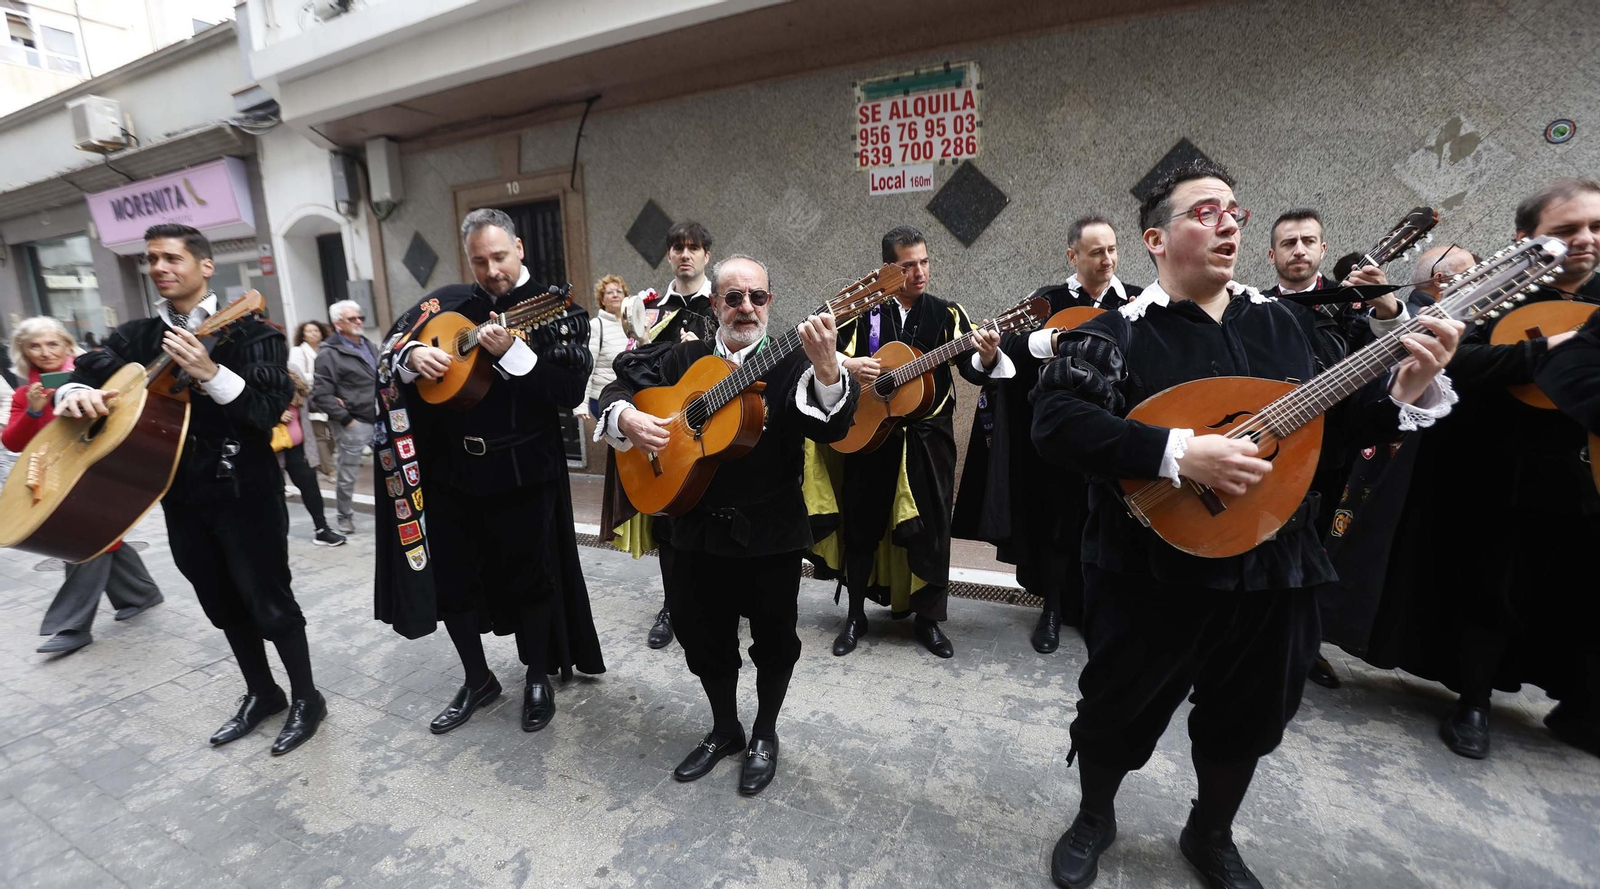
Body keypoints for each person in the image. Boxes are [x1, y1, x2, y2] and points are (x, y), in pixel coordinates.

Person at [1032, 160, 1459, 889]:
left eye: (1234, 211)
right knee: (1117, 704)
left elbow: (1329, 434)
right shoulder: (1117, 333)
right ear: (1156, 240)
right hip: (1149, 563)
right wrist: (1176, 451)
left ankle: (1211, 831)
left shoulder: (1287, 327)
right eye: (1205, 212)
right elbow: (1057, 422)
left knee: (1255, 709)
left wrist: (1405, 392)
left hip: (1276, 563)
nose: (1228, 222)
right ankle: (1096, 814)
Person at [1331, 178, 1600, 761]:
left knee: (1580, 594)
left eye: (1595, 229)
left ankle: (1580, 705)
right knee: (1494, 589)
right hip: (1498, 473)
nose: (1583, 240)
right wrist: (1547, 350)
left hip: (1584, 475)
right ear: (1526, 240)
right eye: (1565, 230)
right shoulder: (1498, 293)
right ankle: (1473, 699)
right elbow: (1455, 359)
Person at [56, 223, 324, 755]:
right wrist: (74, 392)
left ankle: (306, 698)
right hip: (180, 494)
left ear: (205, 266)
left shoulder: (254, 332)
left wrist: (210, 372)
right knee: (220, 600)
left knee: (269, 600)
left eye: (173, 258)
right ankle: (261, 692)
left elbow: (267, 412)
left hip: (246, 491)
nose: (160, 268)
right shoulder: (135, 335)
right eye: (152, 259)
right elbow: (81, 370)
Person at [598, 254, 858, 795]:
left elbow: (829, 426)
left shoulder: (793, 363)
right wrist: (624, 415)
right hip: (693, 530)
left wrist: (831, 371)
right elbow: (621, 383)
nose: (746, 308)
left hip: (770, 534)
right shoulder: (683, 356)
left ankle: (765, 732)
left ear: (770, 302)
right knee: (701, 638)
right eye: (733, 297)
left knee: (775, 641)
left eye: (757, 297)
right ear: (714, 303)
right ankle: (725, 728)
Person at [374, 208, 605, 735]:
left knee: (532, 579)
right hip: (452, 471)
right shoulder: (454, 303)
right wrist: (412, 359)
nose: (491, 270)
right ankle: (476, 678)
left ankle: (538, 677)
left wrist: (515, 356)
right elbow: (393, 344)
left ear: (520, 248)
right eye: (479, 261)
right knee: (454, 579)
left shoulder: (560, 309)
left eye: (499, 257)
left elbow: (568, 393)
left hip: (525, 469)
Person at [811, 225, 1008, 660]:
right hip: (870, 434)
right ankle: (855, 615)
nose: (919, 272)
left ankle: (929, 620)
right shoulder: (865, 313)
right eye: (907, 266)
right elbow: (826, 349)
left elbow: (972, 364)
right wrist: (849, 362)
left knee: (933, 531)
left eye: (924, 262)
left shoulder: (946, 313)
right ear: (888, 270)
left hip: (928, 439)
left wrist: (990, 353)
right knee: (862, 524)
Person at [954, 215, 1141, 653]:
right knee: (1057, 522)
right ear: (1072, 256)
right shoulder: (1046, 301)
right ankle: (1053, 610)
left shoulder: (1134, 302)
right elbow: (1012, 349)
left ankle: (1096, 609)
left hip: (1115, 433)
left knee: (1107, 522)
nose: (1108, 259)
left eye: (1112, 249)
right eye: (1097, 252)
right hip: (1058, 439)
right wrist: (1053, 341)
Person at [6, 316, 164, 655]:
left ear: (66, 344)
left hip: (95, 471)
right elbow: (13, 443)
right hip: (52, 478)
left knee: (81, 540)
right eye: (35, 346)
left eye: (53, 344)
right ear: (24, 352)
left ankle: (71, 625)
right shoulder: (24, 394)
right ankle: (140, 593)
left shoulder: (90, 377)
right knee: (103, 539)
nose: (45, 352)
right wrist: (33, 412)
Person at [604, 221, 719, 651]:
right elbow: (631, 372)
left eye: (693, 247)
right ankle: (672, 605)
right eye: (677, 247)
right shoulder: (648, 310)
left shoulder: (723, 304)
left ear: (707, 254)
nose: (685, 254)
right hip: (664, 435)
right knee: (670, 528)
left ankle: (716, 601)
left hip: (711, 433)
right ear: (669, 255)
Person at [312, 301, 379, 535]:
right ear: (338, 324)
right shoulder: (329, 353)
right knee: (348, 473)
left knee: (389, 468)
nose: (359, 321)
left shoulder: (369, 346)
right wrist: (346, 419)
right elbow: (320, 393)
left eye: (360, 317)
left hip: (379, 418)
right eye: (353, 319)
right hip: (354, 422)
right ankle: (344, 517)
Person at [279, 369, 346, 546]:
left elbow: (308, 403)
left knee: (310, 486)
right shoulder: (256, 372)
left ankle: (321, 529)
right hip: (272, 448)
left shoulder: (291, 370)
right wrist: (273, 414)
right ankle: (276, 538)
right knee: (274, 494)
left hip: (298, 447)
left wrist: (329, 401)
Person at [576, 274, 632, 419]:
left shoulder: (633, 325)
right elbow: (586, 367)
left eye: (619, 292)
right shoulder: (596, 325)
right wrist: (580, 405)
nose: (615, 295)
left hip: (630, 395)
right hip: (603, 397)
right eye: (609, 292)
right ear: (602, 300)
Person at [289, 320, 335, 478]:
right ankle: (330, 470)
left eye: (316, 330)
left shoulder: (327, 349)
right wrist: (323, 377)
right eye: (309, 331)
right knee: (320, 434)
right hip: (311, 397)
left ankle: (324, 463)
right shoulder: (298, 351)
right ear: (303, 335)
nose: (313, 333)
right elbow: (298, 375)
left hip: (330, 395)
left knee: (334, 432)